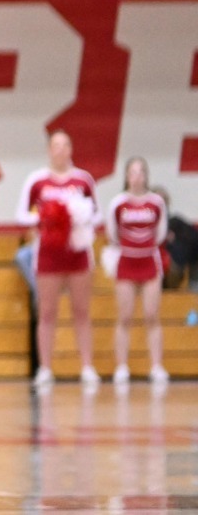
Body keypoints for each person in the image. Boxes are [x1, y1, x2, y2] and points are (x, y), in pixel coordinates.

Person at [18, 131, 100, 387]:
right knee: (47, 312)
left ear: (71, 149)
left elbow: (98, 215)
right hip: (48, 255)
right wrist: (46, 220)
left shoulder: (83, 180)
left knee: (82, 311)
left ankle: (87, 367)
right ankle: (45, 369)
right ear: (49, 150)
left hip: (77, 254)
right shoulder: (37, 181)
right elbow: (21, 215)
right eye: (56, 145)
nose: (61, 150)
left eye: (65, 145)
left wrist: (79, 219)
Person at [106, 158, 169, 387]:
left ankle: (156, 366)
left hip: (149, 262)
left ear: (146, 175)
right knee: (124, 316)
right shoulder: (118, 203)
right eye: (132, 171)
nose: (137, 176)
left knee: (152, 315)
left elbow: (161, 233)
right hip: (126, 261)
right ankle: (122, 367)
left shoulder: (156, 202)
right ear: (126, 176)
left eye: (141, 171)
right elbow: (112, 234)